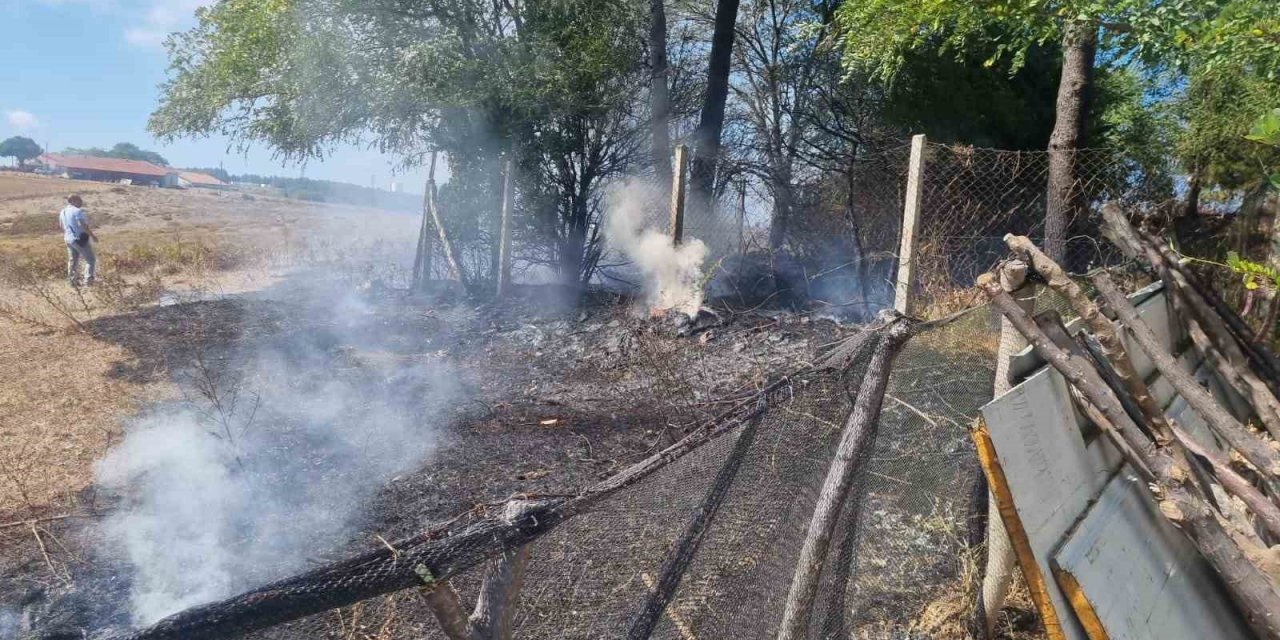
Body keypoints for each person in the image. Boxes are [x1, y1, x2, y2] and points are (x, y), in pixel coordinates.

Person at [58, 194, 97, 287]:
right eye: (80, 200)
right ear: (74, 201)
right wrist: (92, 236)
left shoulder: (62, 212)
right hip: (79, 239)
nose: (81, 202)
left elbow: (61, 225)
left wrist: (69, 233)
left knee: (73, 260)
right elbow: (83, 225)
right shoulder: (78, 211)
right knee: (90, 259)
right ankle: (88, 280)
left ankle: (72, 281)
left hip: (68, 238)